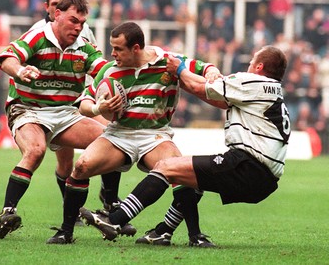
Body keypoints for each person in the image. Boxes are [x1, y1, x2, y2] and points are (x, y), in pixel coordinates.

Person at [80, 45, 291, 247]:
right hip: (266, 181)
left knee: (166, 167)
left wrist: (179, 70)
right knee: (190, 177)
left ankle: (114, 220)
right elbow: (215, 97)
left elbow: (202, 87)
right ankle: (165, 232)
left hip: (247, 165)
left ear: (259, 67)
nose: (249, 64)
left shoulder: (250, 81)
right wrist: (186, 80)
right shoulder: (271, 91)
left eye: (252, 60)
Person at [48, 21, 222, 245]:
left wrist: (214, 73)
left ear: (136, 48)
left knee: (181, 174)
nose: (113, 54)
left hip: (155, 135)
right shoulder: (109, 70)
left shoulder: (167, 61)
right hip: (118, 135)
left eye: (119, 49)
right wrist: (98, 109)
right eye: (112, 48)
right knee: (81, 167)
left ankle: (195, 236)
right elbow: (83, 103)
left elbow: (205, 68)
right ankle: (66, 232)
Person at [0, 0, 108, 241]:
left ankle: (108, 205)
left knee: (112, 142)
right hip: (27, 108)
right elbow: (6, 58)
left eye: (82, 23)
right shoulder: (37, 36)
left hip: (65, 113)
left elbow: (105, 71)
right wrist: (21, 70)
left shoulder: (83, 47)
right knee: (35, 150)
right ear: (57, 14)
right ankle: (7, 212)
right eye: (73, 21)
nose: (78, 27)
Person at [28, 0, 120, 224]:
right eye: (54, 4)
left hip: (83, 97)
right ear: (49, 9)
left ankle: (110, 200)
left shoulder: (82, 27)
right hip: (52, 105)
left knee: (113, 136)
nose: (59, 8)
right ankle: (72, 210)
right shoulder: (38, 32)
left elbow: (95, 58)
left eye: (63, 3)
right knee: (66, 162)